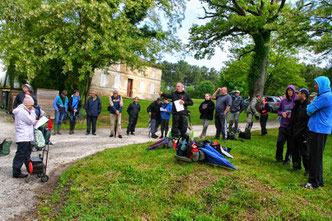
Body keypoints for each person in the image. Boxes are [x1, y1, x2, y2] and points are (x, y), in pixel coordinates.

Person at [301, 76, 332, 189]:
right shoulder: (325, 96)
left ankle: (313, 182)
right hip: (320, 129)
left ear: (323, 84)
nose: (315, 86)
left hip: (319, 129)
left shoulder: (325, 97)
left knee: (314, 156)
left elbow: (309, 109)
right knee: (317, 156)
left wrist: (311, 106)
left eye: (316, 84)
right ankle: (319, 180)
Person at [12, 95, 36, 178]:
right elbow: (31, 121)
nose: (31, 107)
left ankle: (29, 168)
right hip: (23, 136)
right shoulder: (22, 112)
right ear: (27, 104)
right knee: (21, 154)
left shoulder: (22, 111)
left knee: (26, 154)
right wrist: (33, 112)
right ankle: (16, 171)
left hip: (25, 136)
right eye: (31, 105)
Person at [287, 88, 310, 174]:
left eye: (298, 93)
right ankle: (296, 166)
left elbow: (307, 121)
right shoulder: (297, 105)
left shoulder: (308, 106)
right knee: (294, 150)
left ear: (303, 95)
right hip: (294, 132)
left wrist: (305, 133)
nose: (296, 95)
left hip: (303, 133)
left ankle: (308, 170)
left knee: (305, 152)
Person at [276, 85, 296, 164]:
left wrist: (293, 114)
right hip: (283, 125)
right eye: (288, 90)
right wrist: (281, 113)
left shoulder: (296, 101)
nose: (290, 92)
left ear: (294, 92)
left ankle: (287, 159)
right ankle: (278, 157)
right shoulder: (283, 101)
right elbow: (278, 110)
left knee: (290, 144)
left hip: (291, 126)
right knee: (280, 141)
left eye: (291, 90)